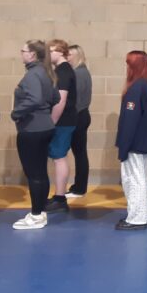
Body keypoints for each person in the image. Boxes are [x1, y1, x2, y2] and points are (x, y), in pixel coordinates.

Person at [11, 40, 57, 230]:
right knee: (40, 173)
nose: (21, 53)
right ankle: (40, 212)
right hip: (45, 127)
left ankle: (36, 215)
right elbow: (56, 97)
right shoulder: (45, 72)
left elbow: (36, 98)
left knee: (34, 174)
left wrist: (16, 112)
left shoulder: (32, 74)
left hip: (32, 129)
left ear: (32, 54)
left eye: (23, 50)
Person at [115, 51, 147, 231]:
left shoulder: (136, 88)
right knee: (142, 179)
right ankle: (142, 215)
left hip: (135, 143)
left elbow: (130, 121)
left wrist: (123, 147)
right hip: (146, 141)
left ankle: (136, 218)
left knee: (134, 180)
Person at [44, 39, 77, 213]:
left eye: (51, 51)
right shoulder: (61, 70)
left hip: (63, 121)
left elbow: (61, 100)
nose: (48, 55)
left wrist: (52, 122)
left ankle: (60, 198)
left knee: (59, 157)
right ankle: (59, 196)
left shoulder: (63, 71)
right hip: (63, 120)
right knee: (58, 157)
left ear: (61, 52)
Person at [65, 44, 93, 199]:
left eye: (69, 54)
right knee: (80, 153)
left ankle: (80, 187)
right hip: (80, 115)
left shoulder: (79, 73)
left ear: (77, 56)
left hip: (78, 116)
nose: (66, 57)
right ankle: (79, 186)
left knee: (80, 153)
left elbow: (77, 99)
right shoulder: (81, 72)